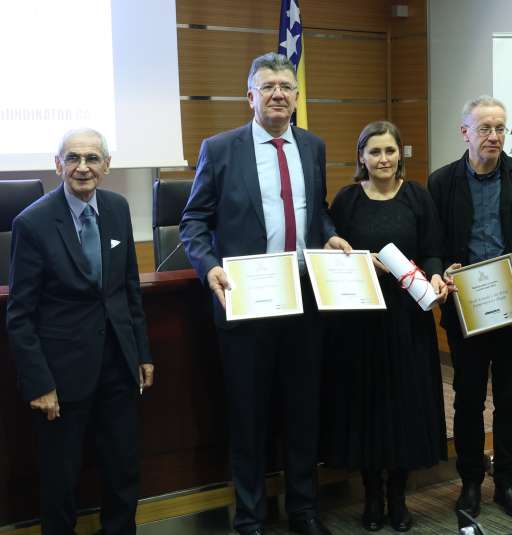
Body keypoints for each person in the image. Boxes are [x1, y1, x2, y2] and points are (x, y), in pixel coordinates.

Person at [179, 52, 350, 535]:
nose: (278, 94)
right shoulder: (220, 148)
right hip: (247, 300)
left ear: (296, 97)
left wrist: (330, 234)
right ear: (250, 96)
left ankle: (304, 510)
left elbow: (317, 210)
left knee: (303, 411)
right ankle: (251, 517)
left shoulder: (312, 146)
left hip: (304, 299)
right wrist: (208, 266)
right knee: (249, 414)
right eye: (267, 86)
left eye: (286, 87)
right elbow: (193, 220)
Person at [7, 128, 154, 535]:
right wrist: (40, 383)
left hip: (118, 365)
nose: (83, 167)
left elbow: (128, 289)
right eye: (73, 158)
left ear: (107, 166)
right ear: (58, 165)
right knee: (61, 480)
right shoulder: (32, 223)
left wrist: (142, 352)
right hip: (61, 375)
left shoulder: (117, 208)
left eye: (92, 158)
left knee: (123, 470)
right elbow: (20, 315)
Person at [427, 95, 512, 519]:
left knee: (511, 400)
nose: (494, 136)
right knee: (467, 399)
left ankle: (506, 483)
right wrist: (442, 269)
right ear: (465, 132)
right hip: (466, 310)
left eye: (500, 128)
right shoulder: (442, 182)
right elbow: (432, 242)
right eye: (485, 128)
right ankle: (469, 483)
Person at [324, 121, 449, 532]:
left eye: (390, 151)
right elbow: (331, 253)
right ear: (361, 156)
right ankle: (372, 496)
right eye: (374, 151)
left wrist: (435, 275)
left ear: (400, 154)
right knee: (367, 406)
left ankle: (398, 496)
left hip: (407, 320)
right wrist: (364, 262)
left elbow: (432, 249)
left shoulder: (417, 196)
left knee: (404, 405)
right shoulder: (346, 200)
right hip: (360, 322)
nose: (383, 159)